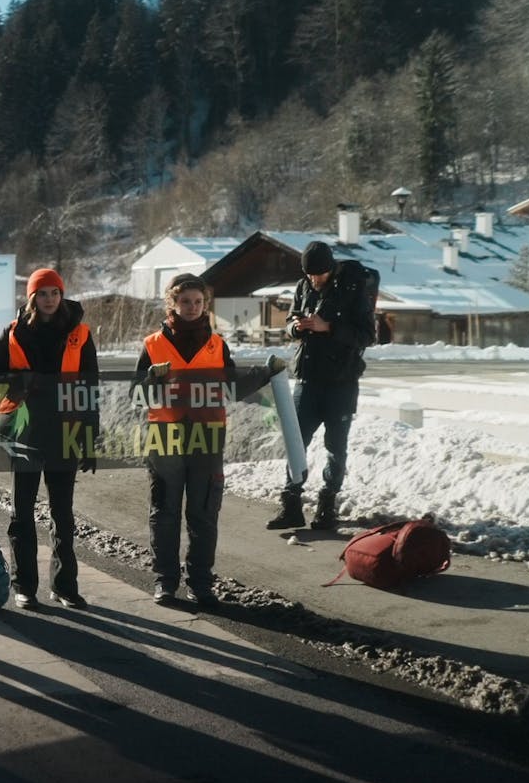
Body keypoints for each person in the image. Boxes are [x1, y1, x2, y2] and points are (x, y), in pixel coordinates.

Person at [135, 273, 277, 606]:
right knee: (165, 512)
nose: (192, 307)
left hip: (207, 438)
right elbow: (136, 394)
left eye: (198, 302)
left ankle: (201, 583)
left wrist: (265, 373)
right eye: (185, 301)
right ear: (173, 302)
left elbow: (232, 384)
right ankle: (165, 581)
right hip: (166, 437)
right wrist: (149, 379)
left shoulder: (217, 345)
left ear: (205, 304)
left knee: (203, 513)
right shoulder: (153, 344)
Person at [0, 268, 99, 610]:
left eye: (54, 293)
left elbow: (89, 389)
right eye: (42, 293)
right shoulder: (12, 333)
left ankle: (65, 586)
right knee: (21, 512)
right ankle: (23, 586)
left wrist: (89, 438)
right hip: (25, 432)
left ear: (62, 294)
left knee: (62, 514)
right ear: (32, 298)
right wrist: (15, 380)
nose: (49, 299)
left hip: (64, 431)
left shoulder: (80, 334)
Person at [266, 241, 376, 531]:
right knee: (295, 442)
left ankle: (327, 506)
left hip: (342, 381)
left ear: (331, 267)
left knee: (335, 446)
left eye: (319, 274)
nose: (315, 279)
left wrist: (329, 327)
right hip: (307, 378)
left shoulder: (353, 286)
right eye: (309, 274)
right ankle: (291, 505)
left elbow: (367, 335)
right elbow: (290, 320)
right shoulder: (303, 286)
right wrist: (296, 327)